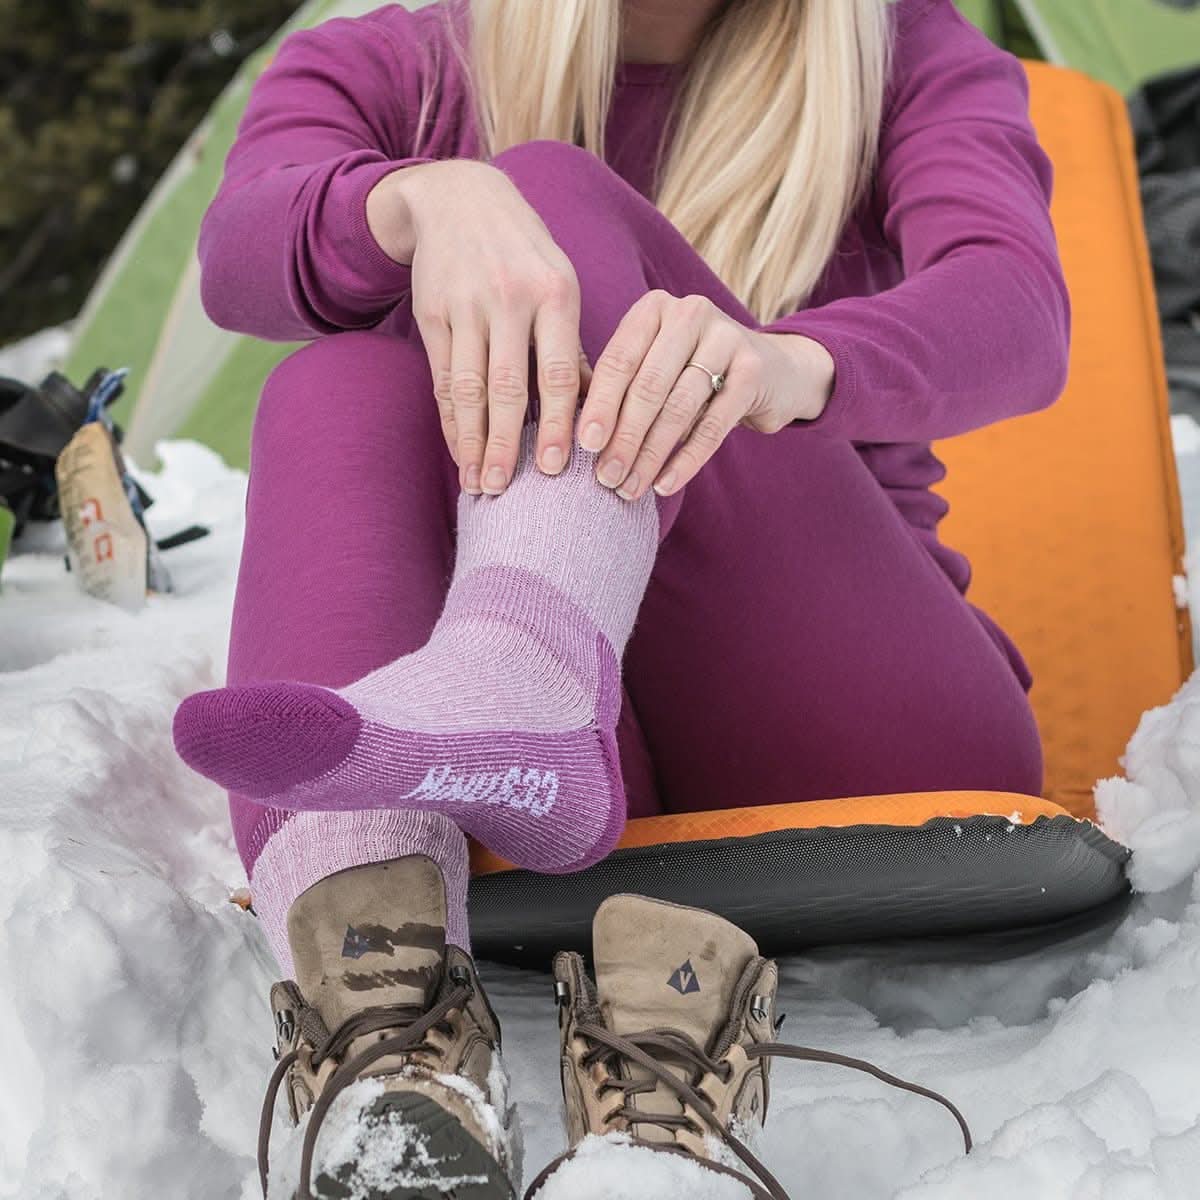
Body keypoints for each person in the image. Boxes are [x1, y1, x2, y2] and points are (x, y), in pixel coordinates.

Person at [171, 0, 1070, 1194]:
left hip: (858, 723)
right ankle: (393, 1047)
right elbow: (240, 253)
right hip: (562, 790)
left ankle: (524, 663)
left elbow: (1014, 302)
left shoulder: (902, 47)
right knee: (331, 379)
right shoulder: (392, 62)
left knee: (546, 184)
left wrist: (789, 364)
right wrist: (421, 200)